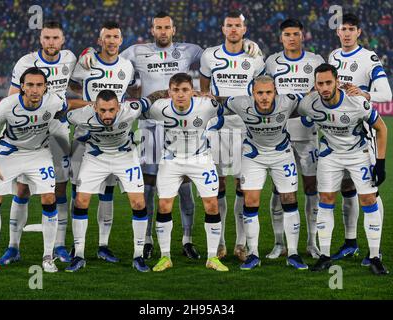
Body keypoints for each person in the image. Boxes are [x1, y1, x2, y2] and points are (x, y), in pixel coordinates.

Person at [79, 11, 262, 261]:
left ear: (173, 30)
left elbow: (217, 53)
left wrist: (249, 45)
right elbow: (107, 56)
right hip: (152, 127)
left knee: (186, 186)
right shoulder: (135, 51)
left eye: (167, 27)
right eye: (158, 27)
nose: (163, 31)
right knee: (151, 186)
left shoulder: (191, 50)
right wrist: (89, 52)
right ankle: (148, 241)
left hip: (186, 125)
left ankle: (187, 239)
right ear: (152, 30)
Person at [298, 64, 388, 275]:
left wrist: (381, 163)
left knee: (368, 200)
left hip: (359, 154)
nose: (325, 87)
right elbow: (293, 110)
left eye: (329, 82)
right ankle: (325, 256)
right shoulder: (308, 104)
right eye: (320, 83)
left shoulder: (356, 102)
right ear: (315, 85)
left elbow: (381, 128)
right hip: (330, 155)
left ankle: (375, 257)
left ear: (337, 81)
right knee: (326, 199)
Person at [0, 21, 77, 265]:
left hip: (58, 129)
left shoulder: (70, 58)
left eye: (55, 38)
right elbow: (13, 97)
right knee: (22, 189)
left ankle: (60, 246)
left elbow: (73, 84)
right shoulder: (26, 62)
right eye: (47, 38)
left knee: (60, 188)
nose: (51, 42)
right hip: (31, 129)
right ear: (40, 39)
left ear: (62, 40)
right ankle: (13, 247)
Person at [0, 67, 66, 273]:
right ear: (22, 87)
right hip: (9, 152)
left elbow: (65, 108)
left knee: (49, 198)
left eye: (39, 85)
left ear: (46, 87)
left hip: (39, 153)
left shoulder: (55, 101)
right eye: (30, 85)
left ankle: (48, 257)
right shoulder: (8, 105)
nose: (35, 90)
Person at [217, 75, 308, 270]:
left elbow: (312, 98)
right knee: (250, 202)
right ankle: (253, 253)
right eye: (260, 93)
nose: (264, 97)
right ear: (253, 93)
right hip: (253, 156)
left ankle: (293, 253)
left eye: (268, 92)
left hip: (282, 155)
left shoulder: (289, 101)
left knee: (289, 200)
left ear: (275, 92)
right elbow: (217, 103)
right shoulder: (239, 103)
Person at [143, 73, 228, 272]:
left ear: (193, 91)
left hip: (201, 159)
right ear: (169, 92)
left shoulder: (206, 106)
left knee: (212, 204)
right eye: (175, 90)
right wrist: (157, 95)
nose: (180, 94)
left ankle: (212, 257)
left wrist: (212, 97)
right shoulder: (159, 108)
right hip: (171, 161)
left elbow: (226, 107)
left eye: (185, 90)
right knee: (164, 205)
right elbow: (137, 108)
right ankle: (165, 257)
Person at [65, 89, 155, 272]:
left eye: (112, 110)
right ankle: (79, 254)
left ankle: (138, 256)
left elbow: (151, 99)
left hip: (125, 157)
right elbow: (63, 108)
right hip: (95, 157)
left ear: (119, 107)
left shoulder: (131, 109)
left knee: (138, 203)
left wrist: (191, 94)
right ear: (95, 108)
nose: (108, 115)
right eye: (103, 110)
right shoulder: (81, 115)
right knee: (81, 201)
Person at [200, 11, 265, 261]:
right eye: (230, 25)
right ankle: (219, 243)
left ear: (244, 29)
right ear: (223, 29)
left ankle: (240, 243)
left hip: (246, 130)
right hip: (218, 129)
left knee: (242, 187)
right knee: (218, 186)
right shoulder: (210, 55)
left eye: (238, 25)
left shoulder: (255, 57)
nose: (234, 29)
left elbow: (262, 91)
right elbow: (206, 92)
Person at [69, 21, 136, 264]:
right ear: (100, 40)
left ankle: (103, 245)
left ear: (121, 40)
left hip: (112, 140)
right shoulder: (85, 62)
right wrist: (88, 106)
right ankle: (77, 248)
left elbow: (129, 93)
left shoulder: (127, 67)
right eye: (106, 36)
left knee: (107, 191)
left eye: (115, 37)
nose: (110, 41)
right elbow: (73, 86)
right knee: (79, 192)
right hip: (83, 136)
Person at [328, 13, 392, 264]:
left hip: (363, 134)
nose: (346, 33)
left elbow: (386, 94)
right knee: (347, 189)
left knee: (371, 193)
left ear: (358, 32)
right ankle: (350, 242)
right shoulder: (333, 56)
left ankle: (375, 251)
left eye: (351, 29)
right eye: (342, 29)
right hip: (337, 136)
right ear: (337, 32)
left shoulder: (368, 58)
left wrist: (364, 92)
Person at [264, 18, 325, 259]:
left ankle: (312, 243)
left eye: (296, 34)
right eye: (287, 34)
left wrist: (298, 101)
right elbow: (268, 93)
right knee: (279, 190)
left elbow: (320, 90)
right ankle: (279, 243)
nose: (291, 38)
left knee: (312, 187)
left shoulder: (316, 61)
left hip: (308, 135)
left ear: (303, 36)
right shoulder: (271, 62)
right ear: (281, 37)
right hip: (280, 135)